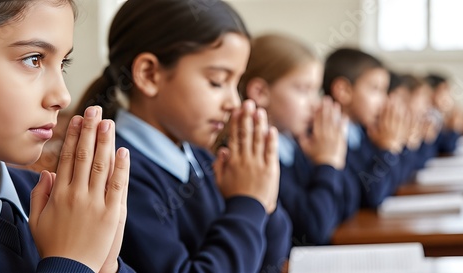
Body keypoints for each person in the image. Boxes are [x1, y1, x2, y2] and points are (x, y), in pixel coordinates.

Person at [75, 1, 291, 272]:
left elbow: (268, 263)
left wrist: (264, 201)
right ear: (149, 74)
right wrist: (248, 205)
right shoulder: (117, 174)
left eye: (236, 83)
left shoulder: (201, 158)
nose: (234, 102)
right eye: (217, 81)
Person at [0, 1, 132, 272]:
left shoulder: (57, 203)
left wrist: (106, 266)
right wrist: (72, 263)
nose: (63, 96)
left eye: (63, 64)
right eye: (32, 59)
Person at [238, 34, 348, 245]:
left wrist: (332, 156)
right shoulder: (254, 157)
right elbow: (315, 229)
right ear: (260, 92)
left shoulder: (294, 144)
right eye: (303, 90)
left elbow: (345, 208)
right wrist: (328, 163)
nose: (315, 104)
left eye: (316, 91)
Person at [323, 48, 408, 209]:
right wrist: (388, 148)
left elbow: (397, 181)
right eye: (375, 89)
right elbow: (372, 195)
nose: (384, 101)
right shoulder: (325, 137)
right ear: (343, 91)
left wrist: (394, 144)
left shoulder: (362, 131)